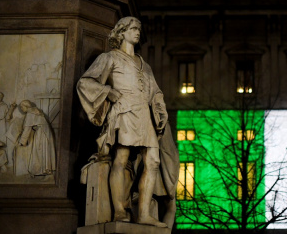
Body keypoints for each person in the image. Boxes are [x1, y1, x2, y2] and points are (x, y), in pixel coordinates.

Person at [77, 16, 177, 227]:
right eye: (132, 28)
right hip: (124, 112)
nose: (137, 32)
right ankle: (120, 211)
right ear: (121, 32)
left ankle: (143, 214)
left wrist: (159, 109)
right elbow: (85, 82)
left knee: (153, 161)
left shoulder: (145, 66)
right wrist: (107, 91)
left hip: (144, 116)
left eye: (138, 29)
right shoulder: (110, 58)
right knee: (121, 159)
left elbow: (156, 93)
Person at [17, 100, 56, 176]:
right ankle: (45, 169)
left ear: (26, 106)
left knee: (38, 151)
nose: (21, 109)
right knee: (43, 151)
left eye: (22, 107)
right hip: (45, 132)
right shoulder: (35, 111)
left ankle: (39, 171)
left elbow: (27, 130)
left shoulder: (30, 113)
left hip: (41, 133)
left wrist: (22, 142)